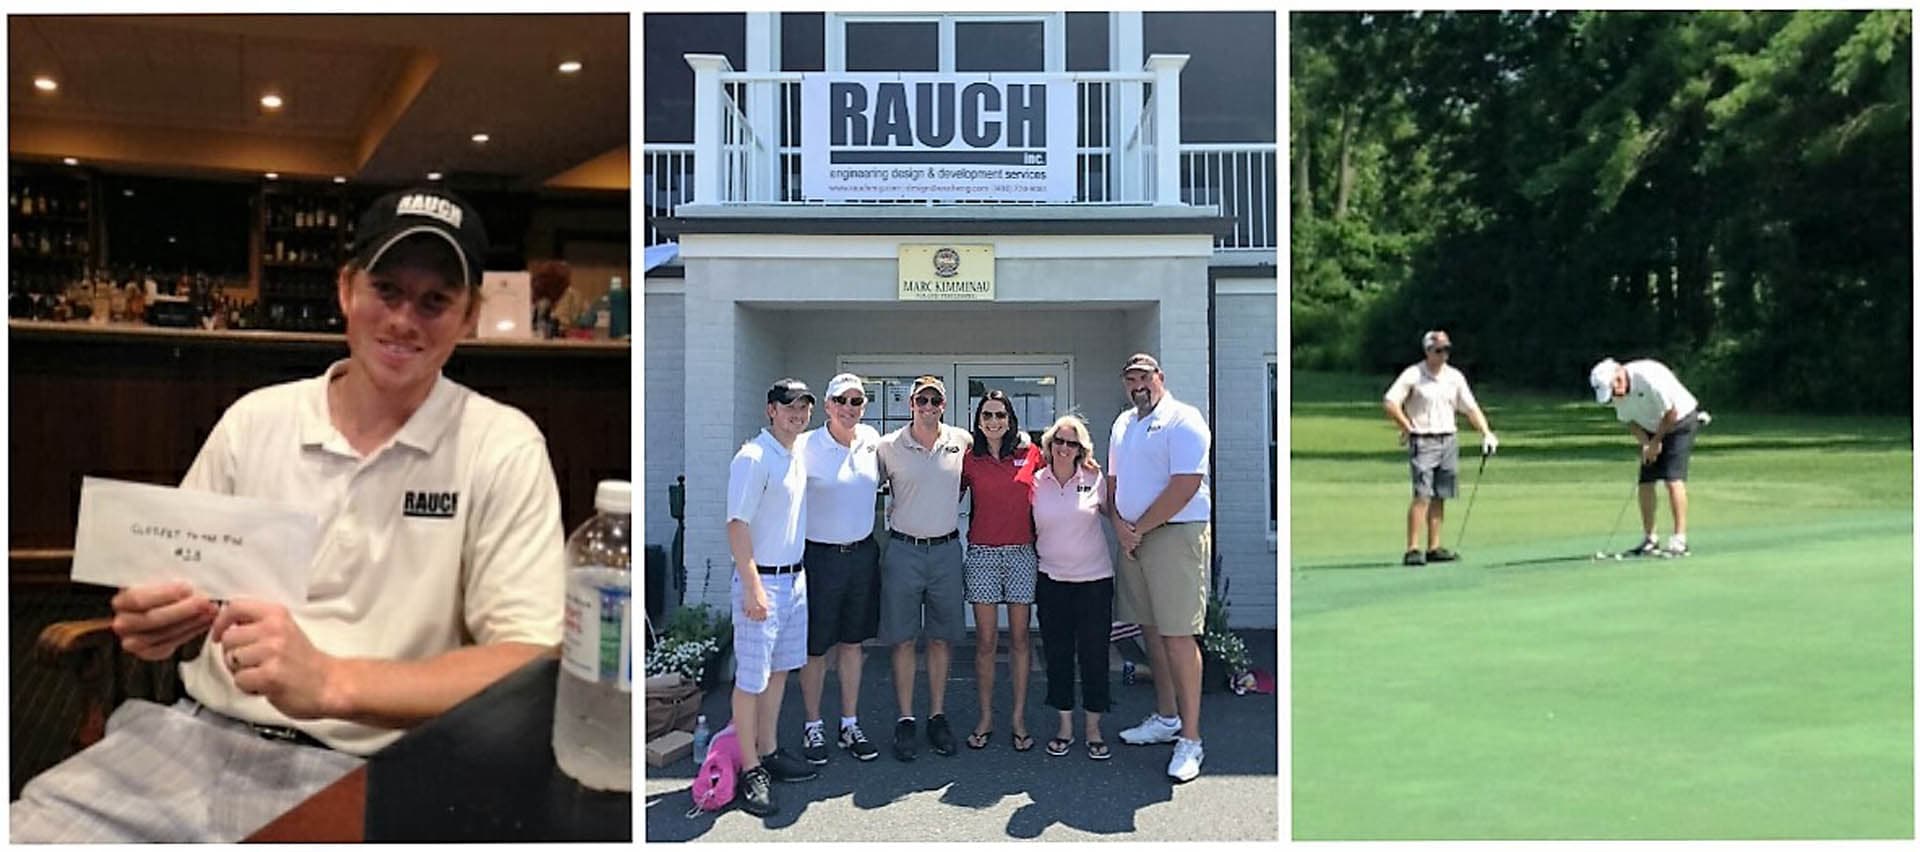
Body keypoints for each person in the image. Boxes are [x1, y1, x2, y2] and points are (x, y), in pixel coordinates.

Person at [11, 187, 568, 842]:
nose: (404, 320)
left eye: (435, 301)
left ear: (469, 316)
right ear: (345, 291)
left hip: (377, 766)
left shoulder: (500, 444)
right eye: (386, 290)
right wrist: (157, 621)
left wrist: (333, 682)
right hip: (193, 739)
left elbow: (528, 657)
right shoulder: (256, 421)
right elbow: (176, 595)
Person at [1108, 353, 1213, 783]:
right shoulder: (1123, 424)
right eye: (1130, 378)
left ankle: (1191, 740)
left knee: (1177, 636)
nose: (1137, 385)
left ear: (1160, 378)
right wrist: (1120, 525)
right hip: (1133, 536)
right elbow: (1113, 482)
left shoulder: (1183, 420)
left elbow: (1185, 484)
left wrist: (1139, 528)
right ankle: (1167, 718)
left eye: (1144, 377)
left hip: (1172, 535)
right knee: (1150, 630)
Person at [725, 378, 823, 816]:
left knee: (780, 671)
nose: (797, 414)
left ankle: (769, 750)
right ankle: (750, 770)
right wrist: (752, 588)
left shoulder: (794, 455)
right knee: (751, 680)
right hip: (761, 583)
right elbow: (736, 525)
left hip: (793, 580)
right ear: (770, 410)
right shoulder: (752, 458)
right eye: (788, 406)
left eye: (803, 407)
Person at [873, 375, 972, 761]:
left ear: (943, 405)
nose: (928, 407)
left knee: (940, 638)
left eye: (935, 401)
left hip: (946, 549)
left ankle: (936, 714)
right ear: (911, 404)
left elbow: (998, 453)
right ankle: (905, 718)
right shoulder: (888, 447)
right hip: (903, 550)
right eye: (921, 400)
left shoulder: (960, 441)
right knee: (901, 638)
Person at [794, 373, 883, 765]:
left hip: (862, 555)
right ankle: (813, 726)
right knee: (816, 647)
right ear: (828, 406)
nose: (849, 407)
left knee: (852, 643)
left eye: (857, 401)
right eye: (842, 400)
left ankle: (849, 723)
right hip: (819, 558)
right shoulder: (805, 446)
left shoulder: (872, 442)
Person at [959, 390, 1044, 753]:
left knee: (1022, 640)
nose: (994, 422)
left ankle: (1018, 718)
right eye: (988, 416)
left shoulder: (1030, 455)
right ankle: (985, 717)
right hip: (982, 554)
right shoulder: (969, 460)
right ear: (978, 422)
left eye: (1000, 415)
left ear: (1010, 420)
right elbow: (942, 491)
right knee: (986, 643)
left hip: (1022, 553)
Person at [1031, 414, 1116, 761]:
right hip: (1052, 582)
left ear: (1082, 449)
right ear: (1049, 446)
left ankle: (1093, 729)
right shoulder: (1035, 481)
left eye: (1072, 443)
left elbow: (1119, 515)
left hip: (1094, 582)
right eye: (1059, 442)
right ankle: (1064, 726)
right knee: (1058, 655)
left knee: (1095, 657)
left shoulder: (1095, 479)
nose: (1064, 449)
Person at [1382, 330, 1498, 566]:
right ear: (1427, 351)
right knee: (1422, 494)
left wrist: (1486, 433)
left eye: (1446, 350)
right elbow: (1390, 402)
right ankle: (1413, 548)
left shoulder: (1454, 377)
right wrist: (1407, 426)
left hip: (1448, 439)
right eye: (1438, 350)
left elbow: (1470, 408)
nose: (1444, 355)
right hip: (1423, 439)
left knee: (1441, 494)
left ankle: (1434, 546)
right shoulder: (1414, 374)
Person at [1589, 357, 1707, 556]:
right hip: (1652, 427)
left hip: (1680, 421)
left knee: (1672, 478)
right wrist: (1646, 444)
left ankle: (1680, 540)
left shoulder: (1649, 377)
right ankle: (1650, 539)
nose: (1615, 395)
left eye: (1614, 389)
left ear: (1619, 376)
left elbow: (1671, 413)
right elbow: (1630, 421)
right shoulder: (1617, 394)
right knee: (1645, 482)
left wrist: (1655, 442)